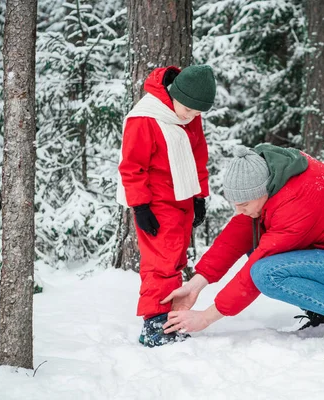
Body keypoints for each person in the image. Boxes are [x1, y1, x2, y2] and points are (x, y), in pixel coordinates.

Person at [160, 144, 324, 346]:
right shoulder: (273, 180)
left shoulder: (297, 201)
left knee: (266, 273)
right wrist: (195, 285)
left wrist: (206, 318)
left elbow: (255, 271)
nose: (239, 211)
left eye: (243, 204)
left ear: (262, 191)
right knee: (255, 243)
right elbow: (239, 232)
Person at [116, 65, 216, 347]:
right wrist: (140, 206)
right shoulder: (145, 119)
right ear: (175, 95)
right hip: (156, 203)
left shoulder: (187, 115)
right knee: (161, 262)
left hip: (183, 198)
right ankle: (155, 322)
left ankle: (171, 315)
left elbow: (198, 157)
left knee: (176, 260)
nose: (192, 117)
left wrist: (199, 197)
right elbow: (132, 166)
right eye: (189, 110)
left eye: (198, 114)